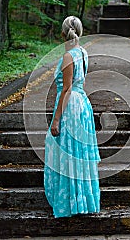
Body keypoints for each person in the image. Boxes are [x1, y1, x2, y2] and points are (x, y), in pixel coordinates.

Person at [44, 16, 101, 218]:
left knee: (68, 151)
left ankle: (69, 203)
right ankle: (81, 201)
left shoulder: (69, 56)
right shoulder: (83, 52)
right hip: (82, 103)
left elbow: (67, 89)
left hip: (71, 106)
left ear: (62, 33)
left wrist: (57, 118)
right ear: (80, 32)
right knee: (77, 152)